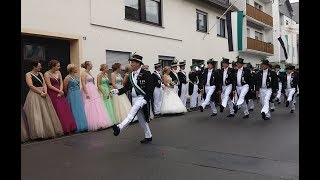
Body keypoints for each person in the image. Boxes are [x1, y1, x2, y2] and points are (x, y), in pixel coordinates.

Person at [111, 54, 155, 143]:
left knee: (131, 114)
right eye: (131, 62)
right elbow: (126, 88)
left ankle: (119, 127)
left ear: (139, 63)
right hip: (134, 98)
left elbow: (151, 87)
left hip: (142, 98)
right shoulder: (131, 75)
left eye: (133, 62)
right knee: (141, 119)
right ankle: (148, 135)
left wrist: (146, 99)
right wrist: (117, 91)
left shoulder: (146, 73)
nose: (131, 64)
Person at [23, 60, 64, 140]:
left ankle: (47, 131)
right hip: (35, 94)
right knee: (36, 113)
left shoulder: (41, 74)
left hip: (44, 93)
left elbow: (44, 84)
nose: (40, 67)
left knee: (46, 113)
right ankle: (38, 133)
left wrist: (45, 91)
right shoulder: (28, 74)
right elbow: (31, 85)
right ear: (34, 67)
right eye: (39, 66)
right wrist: (40, 92)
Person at [44, 60, 77, 133]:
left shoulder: (58, 72)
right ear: (53, 66)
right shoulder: (46, 74)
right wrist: (58, 91)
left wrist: (61, 91)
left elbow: (61, 82)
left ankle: (69, 127)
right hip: (53, 92)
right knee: (57, 110)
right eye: (58, 66)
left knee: (64, 109)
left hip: (60, 92)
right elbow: (49, 85)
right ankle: (60, 128)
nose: (59, 67)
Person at [80, 61, 113, 131]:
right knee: (89, 105)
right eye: (91, 64)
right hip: (87, 89)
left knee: (96, 106)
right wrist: (86, 93)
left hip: (92, 89)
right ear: (88, 65)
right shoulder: (83, 73)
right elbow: (83, 83)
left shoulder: (89, 73)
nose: (92, 66)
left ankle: (99, 122)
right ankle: (90, 123)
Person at [63, 64, 88, 132]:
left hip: (78, 93)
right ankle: (75, 126)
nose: (77, 69)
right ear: (72, 69)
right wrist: (68, 94)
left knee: (79, 109)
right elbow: (65, 88)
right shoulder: (67, 78)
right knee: (73, 109)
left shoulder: (76, 76)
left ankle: (83, 125)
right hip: (71, 94)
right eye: (75, 68)